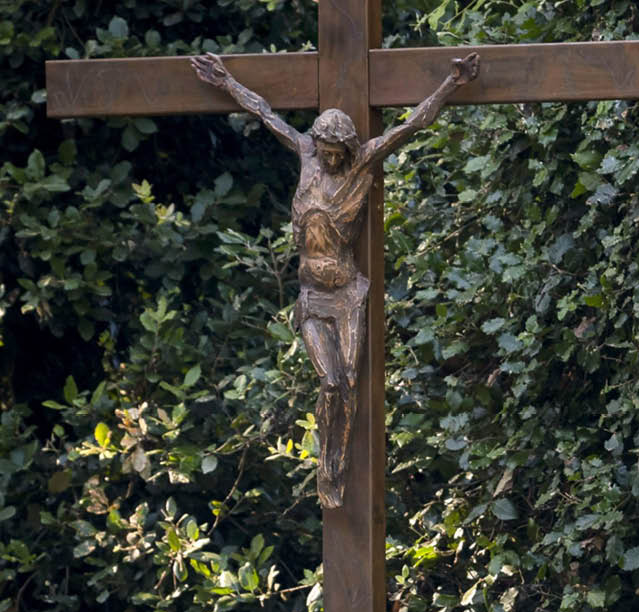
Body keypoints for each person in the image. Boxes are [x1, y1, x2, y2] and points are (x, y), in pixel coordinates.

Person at [189, 51, 479, 507]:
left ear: (347, 150)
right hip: (311, 296)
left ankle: (338, 468)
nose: (326, 157)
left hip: (346, 296)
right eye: (323, 149)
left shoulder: (362, 165)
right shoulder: (306, 154)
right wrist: (226, 83)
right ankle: (328, 471)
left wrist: (451, 85)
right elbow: (265, 113)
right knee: (330, 382)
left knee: (347, 387)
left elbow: (410, 127)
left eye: (334, 152)